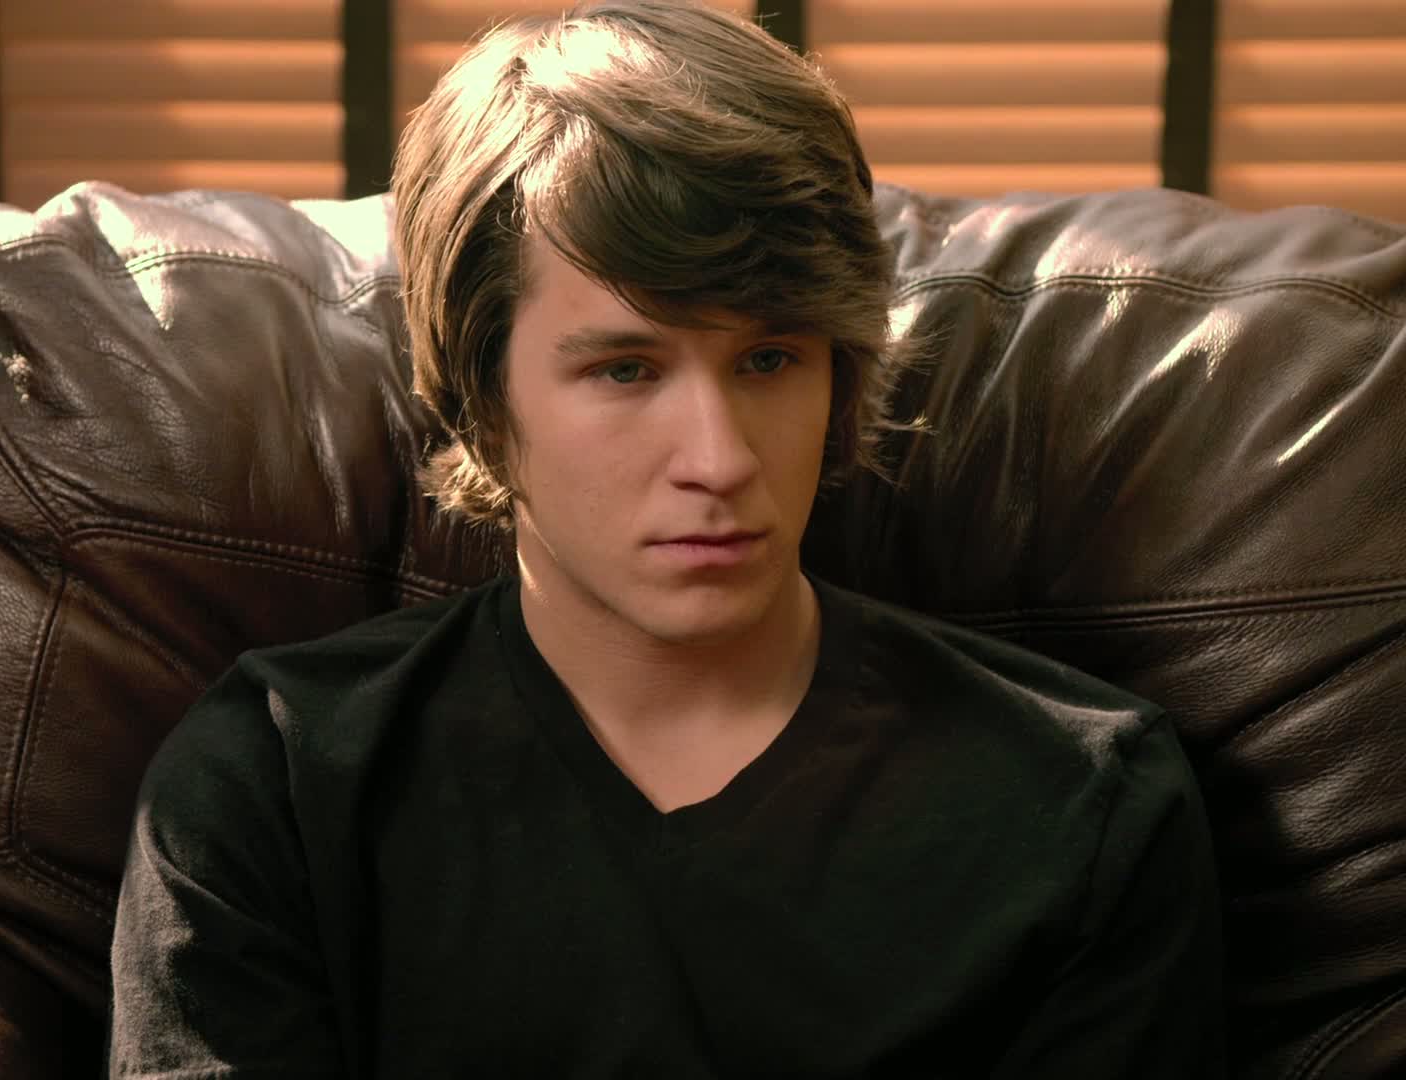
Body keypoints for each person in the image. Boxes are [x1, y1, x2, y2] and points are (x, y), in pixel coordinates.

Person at [107, 1, 1225, 1075]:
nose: (721, 459)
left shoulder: (1082, 804)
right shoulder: (273, 785)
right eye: (626, 370)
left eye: (770, 360)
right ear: (483, 399)